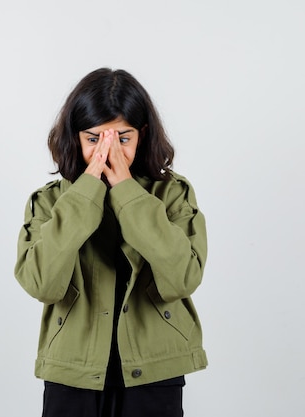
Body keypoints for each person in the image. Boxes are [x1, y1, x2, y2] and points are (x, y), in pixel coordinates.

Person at [14, 68, 208, 417]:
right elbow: (42, 284)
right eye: (94, 140)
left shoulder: (172, 195)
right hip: (72, 371)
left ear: (142, 135)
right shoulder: (48, 202)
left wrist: (126, 191)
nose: (108, 151)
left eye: (122, 138)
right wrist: (87, 192)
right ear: (74, 138)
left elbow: (182, 279)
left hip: (155, 370)